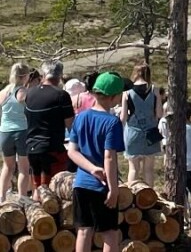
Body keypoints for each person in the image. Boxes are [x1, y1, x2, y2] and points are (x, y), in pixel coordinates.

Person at [68, 72, 125, 252]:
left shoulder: (81, 117)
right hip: (102, 186)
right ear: (114, 97)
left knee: (84, 231)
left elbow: (72, 151)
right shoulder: (112, 122)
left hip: (81, 183)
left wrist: (91, 168)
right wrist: (113, 189)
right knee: (110, 233)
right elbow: (109, 157)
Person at [24, 60, 74, 201]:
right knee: (53, 190)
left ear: (44, 74)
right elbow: (71, 126)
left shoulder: (30, 93)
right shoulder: (61, 95)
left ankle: (37, 218)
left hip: (32, 147)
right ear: (60, 75)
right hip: (52, 149)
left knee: (37, 187)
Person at [120, 63, 162, 186]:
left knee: (133, 169)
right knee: (148, 170)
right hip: (151, 132)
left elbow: (123, 117)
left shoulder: (127, 93)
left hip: (133, 132)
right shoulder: (154, 90)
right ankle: (150, 197)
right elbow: (159, 113)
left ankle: (132, 195)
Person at [0, 63, 33, 198]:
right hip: (21, 131)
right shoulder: (23, 92)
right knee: (24, 169)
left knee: (7, 167)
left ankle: (1, 196)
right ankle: (23, 198)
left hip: (4, 132)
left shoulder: (3, 92)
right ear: (25, 76)